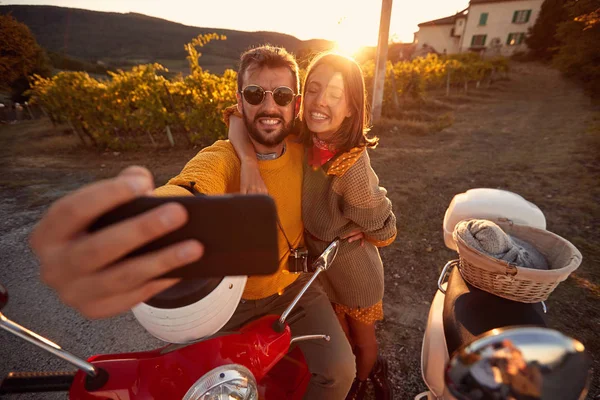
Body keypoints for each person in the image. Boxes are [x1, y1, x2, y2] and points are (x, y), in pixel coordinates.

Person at [29, 45, 355, 400]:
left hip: (297, 291)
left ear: (295, 103)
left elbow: (353, 149)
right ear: (240, 99)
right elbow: (190, 187)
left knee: (340, 371)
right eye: (254, 94)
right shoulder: (223, 157)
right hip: (231, 302)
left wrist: (366, 219)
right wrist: (138, 224)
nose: (269, 106)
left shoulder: (304, 145)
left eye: (281, 95)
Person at [227, 52, 397, 400]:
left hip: (353, 272)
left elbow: (384, 227)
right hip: (321, 269)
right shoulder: (303, 137)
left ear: (351, 107)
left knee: (363, 341)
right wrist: (247, 163)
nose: (321, 102)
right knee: (341, 337)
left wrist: (367, 229)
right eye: (316, 90)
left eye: (335, 95)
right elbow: (235, 118)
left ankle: (366, 383)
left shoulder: (350, 165)